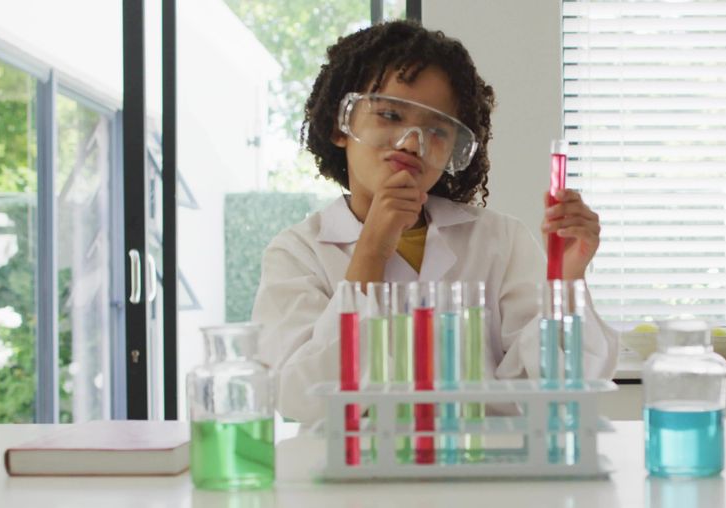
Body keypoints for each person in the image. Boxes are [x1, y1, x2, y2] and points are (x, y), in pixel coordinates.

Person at [251, 20, 617, 423]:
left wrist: (564, 283)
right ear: (341, 123)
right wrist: (370, 253)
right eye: (389, 114)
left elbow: (562, 389)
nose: (411, 143)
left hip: (482, 473)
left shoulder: (500, 240)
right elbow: (300, 400)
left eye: (437, 131)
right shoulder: (297, 254)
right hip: (356, 481)